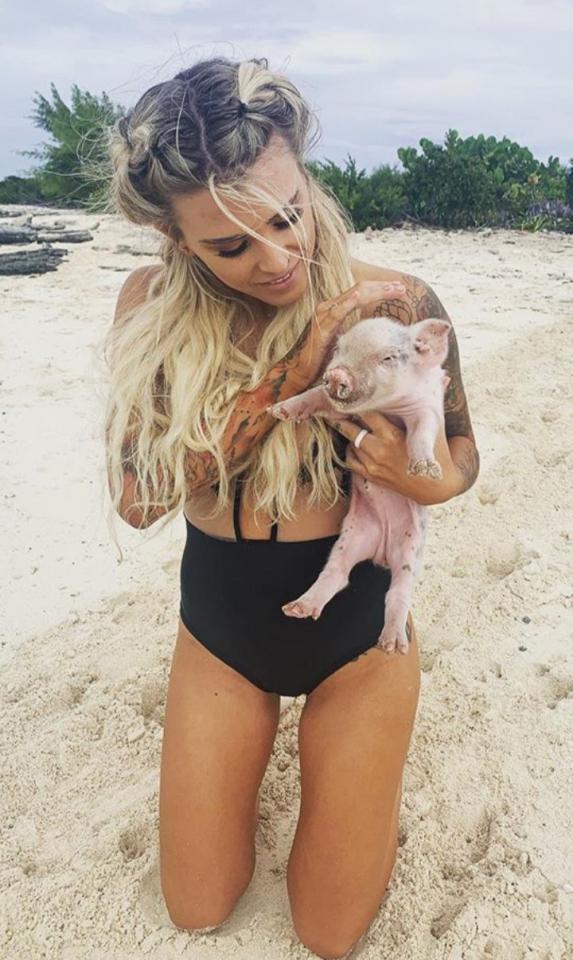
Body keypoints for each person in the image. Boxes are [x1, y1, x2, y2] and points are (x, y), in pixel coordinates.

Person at [102, 56, 479, 960]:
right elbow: (139, 502)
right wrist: (304, 359)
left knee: (328, 933)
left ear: (306, 177)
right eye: (230, 246)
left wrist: (421, 480)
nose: (276, 260)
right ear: (172, 236)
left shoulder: (396, 303)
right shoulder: (148, 308)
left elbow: (462, 458)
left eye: (286, 215)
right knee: (196, 906)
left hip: (357, 632)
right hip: (220, 630)